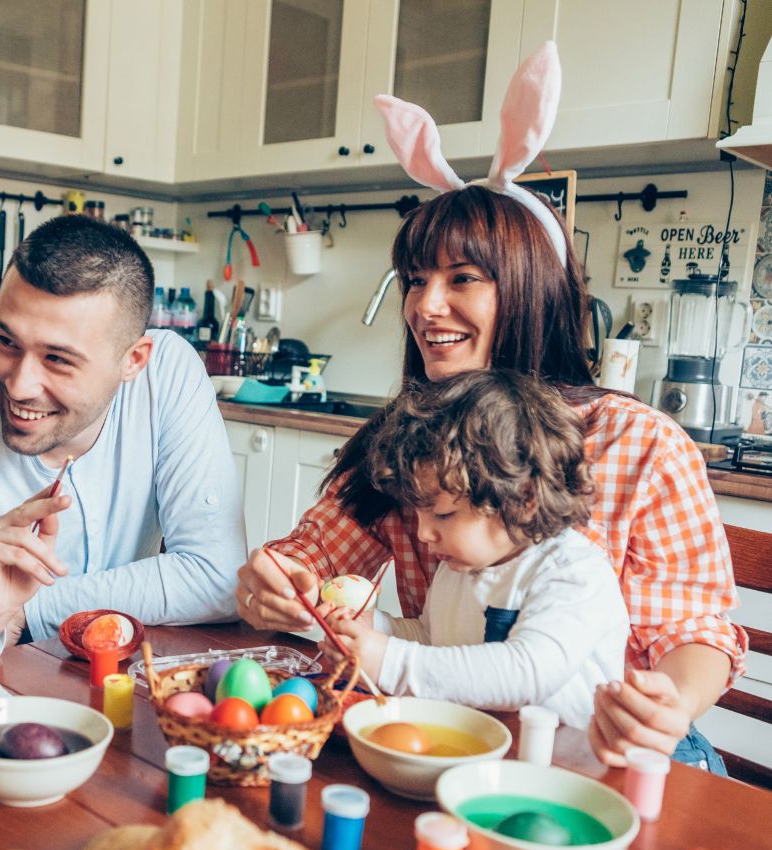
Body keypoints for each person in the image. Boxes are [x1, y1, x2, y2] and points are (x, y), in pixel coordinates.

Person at [238, 43, 745, 772]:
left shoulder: (638, 441)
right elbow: (315, 557)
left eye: (461, 278)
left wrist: (663, 706)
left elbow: (695, 632)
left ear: (529, 288)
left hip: (610, 753)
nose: (424, 305)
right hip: (455, 740)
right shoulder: (411, 438)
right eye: (415, 279)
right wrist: (275, 583)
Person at [0, 215, 245, 666]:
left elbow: (218, 578)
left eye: (57, 359)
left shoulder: (165, 375)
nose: (19, 385)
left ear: (133, 360)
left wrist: (27, 612)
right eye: (6, 341)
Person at [319, 369, 628, 729]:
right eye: (419, 514)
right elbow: (434, 640)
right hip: (480, 748)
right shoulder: (461, 566)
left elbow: (527, 673)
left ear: (523, 498)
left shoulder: (573, 572)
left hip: (568, 764)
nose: (423, 534)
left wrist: (389, 660)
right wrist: (376, 630)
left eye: (444, 515)